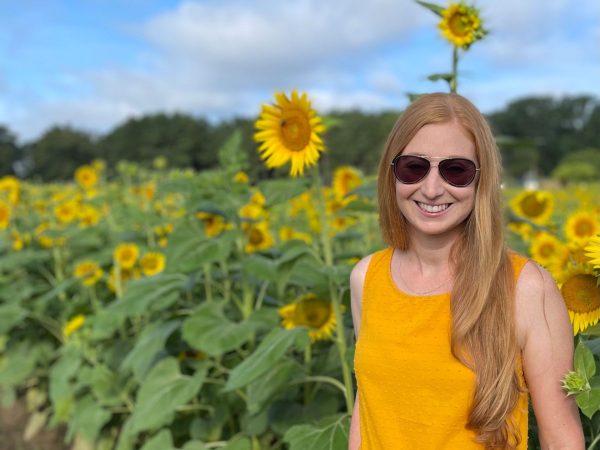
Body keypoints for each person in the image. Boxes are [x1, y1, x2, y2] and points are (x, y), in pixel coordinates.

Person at [348, 93, 584, 449]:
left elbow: (560, 440)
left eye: (455, 171)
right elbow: (367, 413)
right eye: (414, 167)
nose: (431, 188)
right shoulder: (366, 278)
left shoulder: (525, 288)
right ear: (392, 173)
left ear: (481, 180)